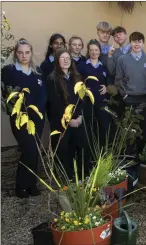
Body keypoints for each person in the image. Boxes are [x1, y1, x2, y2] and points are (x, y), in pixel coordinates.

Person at [1, 39, 46, 198]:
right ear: (15, 53)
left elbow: (42, 94)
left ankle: (31, 184)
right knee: (28, 149)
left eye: (27, 52)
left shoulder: (38, 71)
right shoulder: (8, 71)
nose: (24, 55)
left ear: (31, 53)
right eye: (20, 52)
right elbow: (6, 95)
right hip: (20, 118)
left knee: (34, 151)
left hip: (37, 119)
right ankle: (20, 186)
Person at [45, 48, 90, 179]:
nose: (66, 60)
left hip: (78, 119)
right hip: (62, 122)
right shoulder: (52, 79)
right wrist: (69, 121)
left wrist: (80, 116)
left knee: (83, 148)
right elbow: (54, 104)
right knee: (64, 152)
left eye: (68, 58)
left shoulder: (76, 77)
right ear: (57, 61)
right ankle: (65, 179)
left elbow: (82, 99)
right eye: (62, 58)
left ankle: (83, 176)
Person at [115, 31, 146, 153]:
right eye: (134, 41)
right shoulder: (122, 59)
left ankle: (145, 157)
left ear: (143, 43)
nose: (137, 44)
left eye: (139, 41)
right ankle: (130, 158)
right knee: (130, 131)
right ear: (130, 43)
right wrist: (125, 95)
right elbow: (118, 79)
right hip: (130, 99)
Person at [77, 39, 110, 149]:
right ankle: (89, 152)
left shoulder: (103, 66)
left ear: (99, 51)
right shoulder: (82, 66)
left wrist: (107, 87)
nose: (94, 52)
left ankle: (102, 151)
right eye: (91, 50)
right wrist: (82, 89)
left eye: (96, 50)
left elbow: (109, 81)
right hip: (87, 102)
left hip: (102, 102)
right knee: (89, 127)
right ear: (88, 51)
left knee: (103, 127)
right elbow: (76, 81)